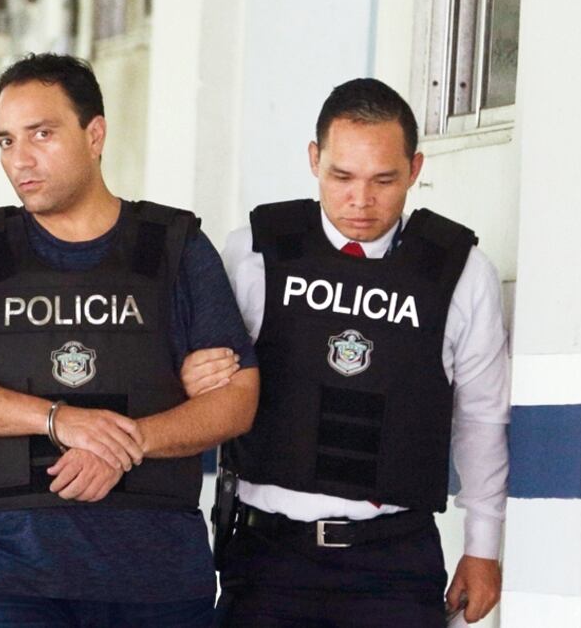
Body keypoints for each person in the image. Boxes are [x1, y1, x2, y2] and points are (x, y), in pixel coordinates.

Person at [0, 53, 260, 627]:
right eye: (5, 141)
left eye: (41, 134)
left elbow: (238, 398)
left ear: (95, 134)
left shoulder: (174, 247)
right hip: (5, 574)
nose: (21, 160)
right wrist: (59, 419)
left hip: (155, 576)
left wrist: (130, 442)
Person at [187, 78, 509, 626]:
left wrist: (484, 548)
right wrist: (193, 374)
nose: (361, 200)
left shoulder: (460, 273)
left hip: (394, 562)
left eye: (385, 180)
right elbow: (204, 383)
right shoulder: (254, 251)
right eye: (342, 177)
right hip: (268, 557)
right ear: (314, 160)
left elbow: (481, 415)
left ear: (415, 168)